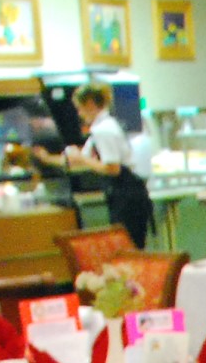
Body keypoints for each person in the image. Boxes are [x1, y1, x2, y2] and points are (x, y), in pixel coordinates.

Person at [64, 81, 154, 249]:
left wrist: (82, 160)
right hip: (129, 193)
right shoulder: (105, 126)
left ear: (90, 104)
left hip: (126, 196)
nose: (80, 114)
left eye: (80, 108)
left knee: (128, 248)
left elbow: (112, 168)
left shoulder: (103, 130)